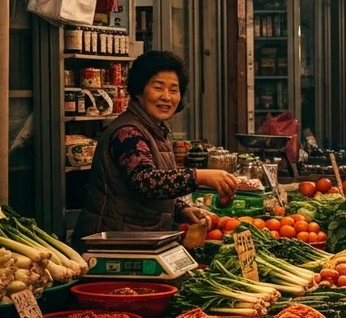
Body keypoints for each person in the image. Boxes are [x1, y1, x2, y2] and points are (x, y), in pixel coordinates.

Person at [72, 51, 236, 246]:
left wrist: (181, 210)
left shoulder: (155, 130)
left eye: (174, 90)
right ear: (139, 91)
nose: (166, 97)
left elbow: (146, 195)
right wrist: (199, 176)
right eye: (158, 88)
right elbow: (145, 181)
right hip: (112, 244)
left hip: (138, 240)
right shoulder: (128, 132)